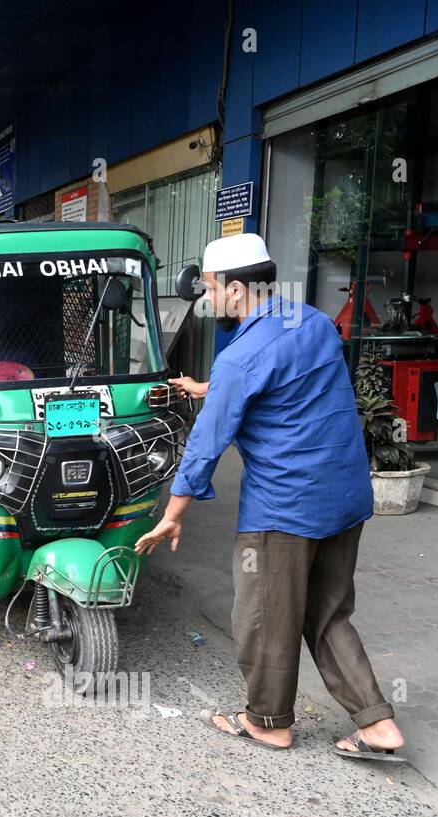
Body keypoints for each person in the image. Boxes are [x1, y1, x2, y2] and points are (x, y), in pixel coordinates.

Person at [134, 233, 406, 762]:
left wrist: (172, 515)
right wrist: (210, 388)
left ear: (235, 289)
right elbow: (286, 383)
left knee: (264, 615)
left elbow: (205, 445)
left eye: (210, 290)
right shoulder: (311, 322)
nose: (208, 300)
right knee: (327, 613)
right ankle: (378, 724)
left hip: (285, 508)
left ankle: (268, 723)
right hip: (345, 497)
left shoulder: (241, 357)